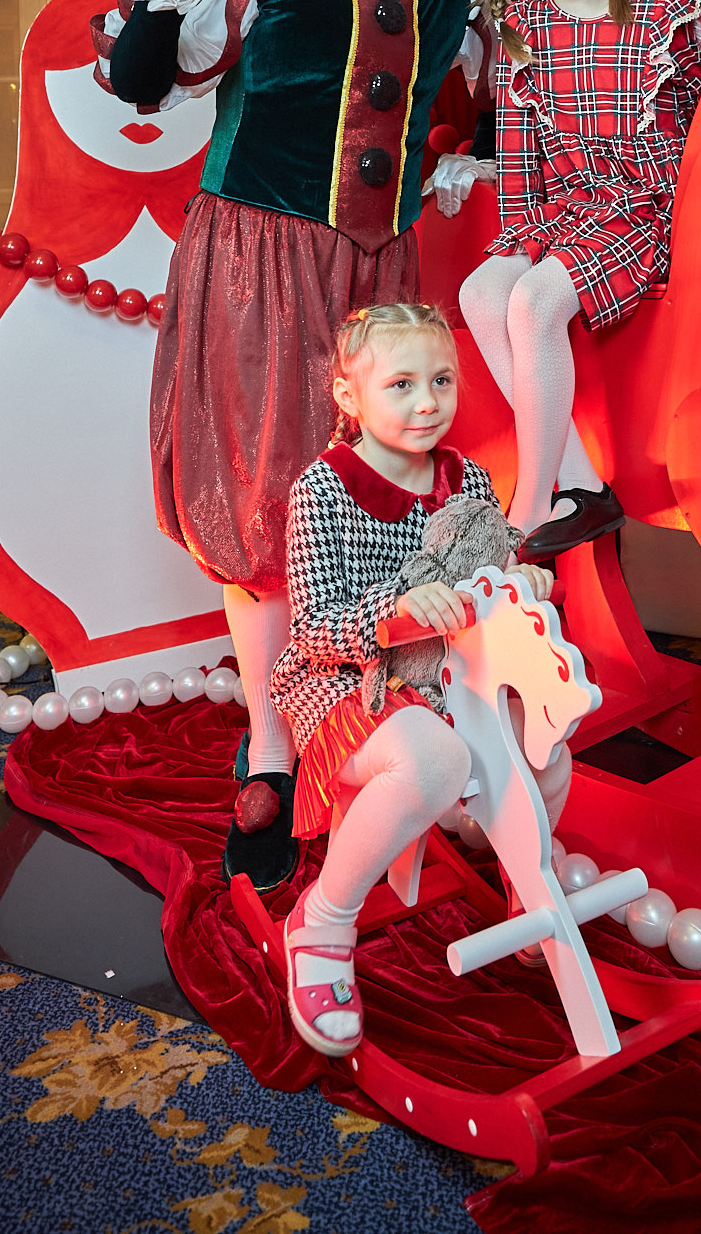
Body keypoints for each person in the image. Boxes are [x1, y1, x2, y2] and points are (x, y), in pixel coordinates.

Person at [96, 0, 522, 893]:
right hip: (258, 266)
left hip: (381, 277)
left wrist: (467, 159)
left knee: (375, 497)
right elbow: (151, 80)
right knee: (265, 499)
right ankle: (273, 747)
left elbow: (511, 99)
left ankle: (370, 713)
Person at [272, 302, 560, 1057]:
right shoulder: (323, 490)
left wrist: (520, 580)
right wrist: (394, 611)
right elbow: (314, 628)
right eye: (400, 385)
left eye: (441, 380)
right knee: (437, 761)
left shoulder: (466, 476)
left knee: (547, 746)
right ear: (349, 395)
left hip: (447, 670)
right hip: (348, 679)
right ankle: (322, 922)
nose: (427, 402)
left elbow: (487, 570)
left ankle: (525, 885)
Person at [459, 0, 701, 554]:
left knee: (534, 302)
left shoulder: (662, 14)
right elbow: (519, 161)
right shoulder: (524, 31)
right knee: (481, 293)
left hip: (645, 210)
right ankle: (581, 485)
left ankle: (531, 504)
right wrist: (519, 242)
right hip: (568, 210)